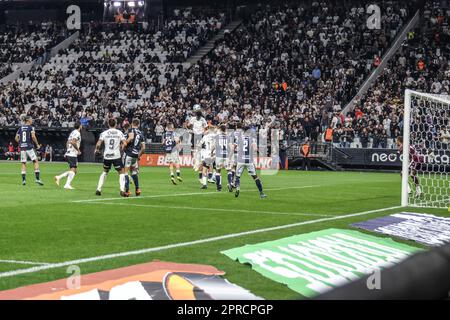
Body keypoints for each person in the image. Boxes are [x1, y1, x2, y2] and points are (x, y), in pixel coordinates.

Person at [95, 118, 127, 197]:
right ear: (116, 124)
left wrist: (97, 150)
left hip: (107, 156)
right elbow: (125, 143)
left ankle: (98, 189)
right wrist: (121, 148)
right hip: (116, 155)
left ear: (108, 124)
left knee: (105, 172)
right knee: (121, 173)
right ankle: (122, 190)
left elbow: (98, 143)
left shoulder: (104, 133)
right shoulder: (119, 132)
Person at [232, 126, 266, 199]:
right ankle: (261, 193)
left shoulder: (239, 138)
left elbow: (233, 147)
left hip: (240, 160)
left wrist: (230, 156)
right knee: (255, 177)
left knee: (237, 176)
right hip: (249, 160)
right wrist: (258, 152)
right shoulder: (252, 139)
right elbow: (255, 148)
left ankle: (238, 187)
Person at [15, 116, 43, 186]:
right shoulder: (31, 127)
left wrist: (20, 143)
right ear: (28, 120)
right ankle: (37, 179)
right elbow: (33, 137)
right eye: (31, 119)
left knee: (23, 163)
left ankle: (24, 180)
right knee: (35, 161)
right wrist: (37, 145)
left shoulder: (20, 128)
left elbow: (16, 138)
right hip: (29, 147)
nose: (32, 120)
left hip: (22, 148)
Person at [54, 121, 82, 190]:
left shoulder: (72, 132)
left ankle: (65, 183)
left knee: (74, 171)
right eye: (81, 125)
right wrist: (78, 150)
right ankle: (60, 178)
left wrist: (67, 150)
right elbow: (73, 142)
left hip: (70, 153)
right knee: (73, 170)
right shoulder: (77, 133)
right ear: (80, 126)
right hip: (72, 153)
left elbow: (67, 142)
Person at [123, 119, 145, 196]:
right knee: (133, 172)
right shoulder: (141, 133)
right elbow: (143, 148)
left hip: (128, 153)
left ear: (132, 124)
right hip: (135, 155)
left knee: (125, 172)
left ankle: (128, 190)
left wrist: (124, 143)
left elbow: (131, 137)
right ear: (138, 125)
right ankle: (137, 189)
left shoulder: (130, 129)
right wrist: (138, 155)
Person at [211, 124, 231, 191]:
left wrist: (211, 152)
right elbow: (230, 146)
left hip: (219, 155)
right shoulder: (228, 137)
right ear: (225, 129)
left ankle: (218, 187)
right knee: (229, 170)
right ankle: (229, 183)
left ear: (220, 129)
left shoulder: (217, 137)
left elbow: (214, 146)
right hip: (226, 155)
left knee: (218, 171)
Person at [187, 106, 207, 171]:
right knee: (194, 150)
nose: (198, 117)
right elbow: (188, 125)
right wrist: (190, 126)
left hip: (200, 135)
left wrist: (204, 131)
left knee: (200, 150)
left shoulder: (203, 119)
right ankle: (195, 164)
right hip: (194, 134)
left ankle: (198, 164)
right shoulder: (193, 119)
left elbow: (206, 126)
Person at [197, 125, 216, 189]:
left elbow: (199, 145)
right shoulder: (215, 136)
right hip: (212, 154)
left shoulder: (205, 136)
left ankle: (204, 184)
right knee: (212, 166)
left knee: (204, 169)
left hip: (206, 154)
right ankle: (210, 178)